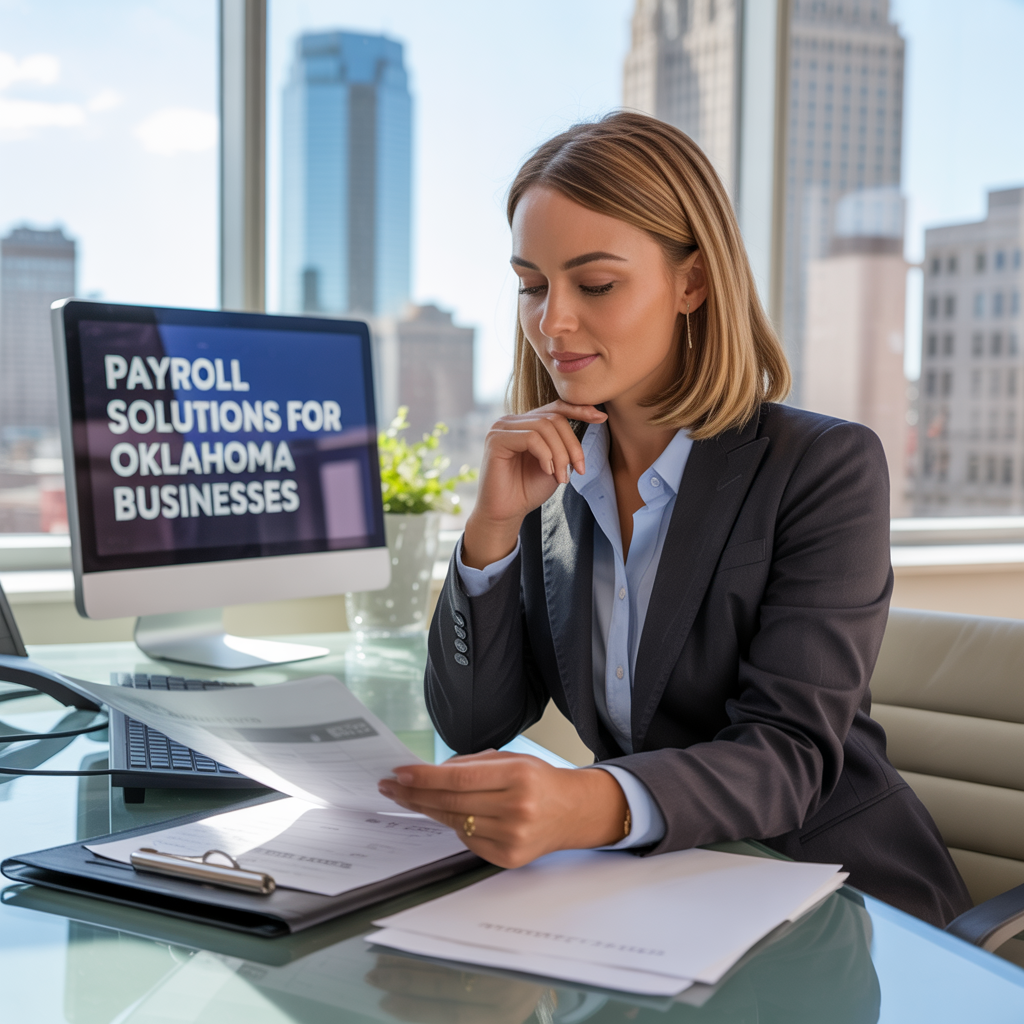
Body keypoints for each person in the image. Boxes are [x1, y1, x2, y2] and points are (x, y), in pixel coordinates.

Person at [376, 111, 971, 927]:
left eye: (595, 284)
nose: (552, 321)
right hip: (660, 899)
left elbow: (789, 756)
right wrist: (490, 530)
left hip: (840, 900)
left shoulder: (822, 468)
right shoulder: (558, 482)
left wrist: (586, 804)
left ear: (691, 283)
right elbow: (473, 722)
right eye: (532, 284)